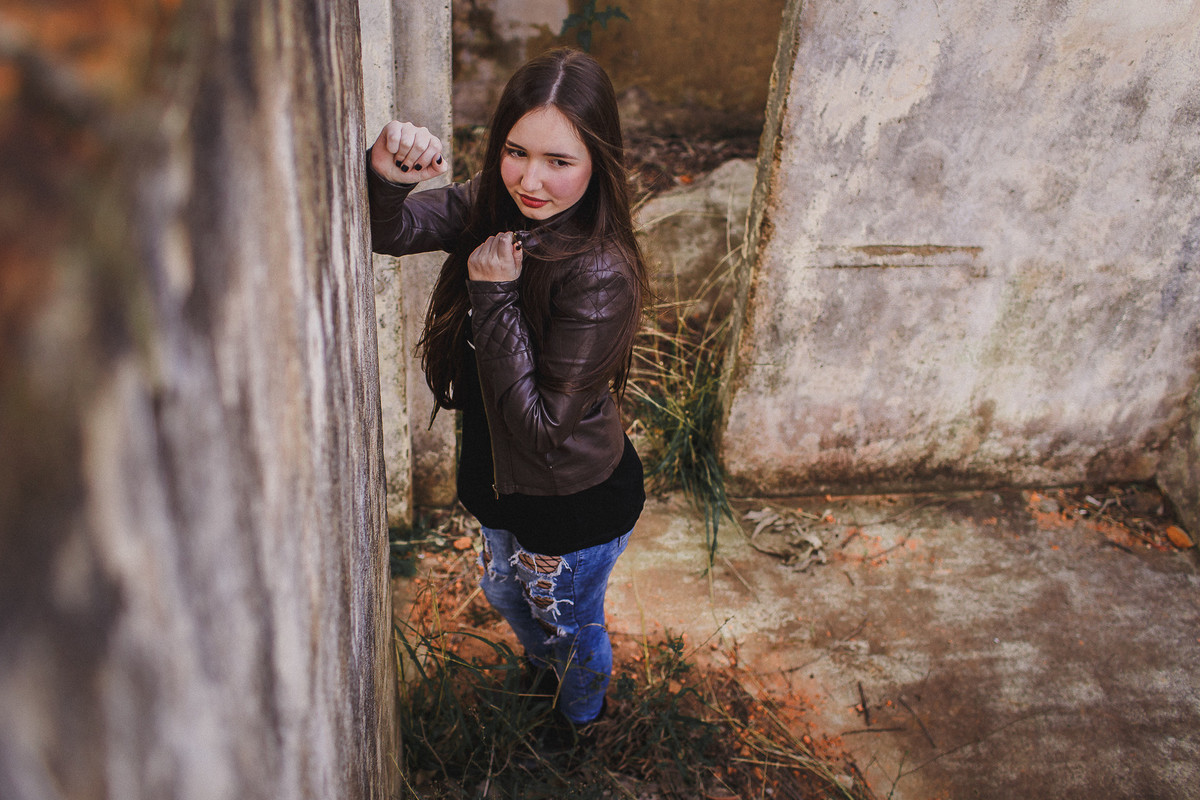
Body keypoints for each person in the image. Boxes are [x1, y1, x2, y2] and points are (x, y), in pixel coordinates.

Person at [366, 48, 648, 737]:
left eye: (559, 161)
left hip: (572, 506)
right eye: (516, 152)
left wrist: (493, 294)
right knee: (505, 592)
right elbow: (389, 231)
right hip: (501, 486)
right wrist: (388, 174)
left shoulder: (601, 272)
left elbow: (543, 428)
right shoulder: (492, 205)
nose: (530, 180)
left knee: (571, 627)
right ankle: (543, 671)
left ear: (598, 162)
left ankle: (580, 726)